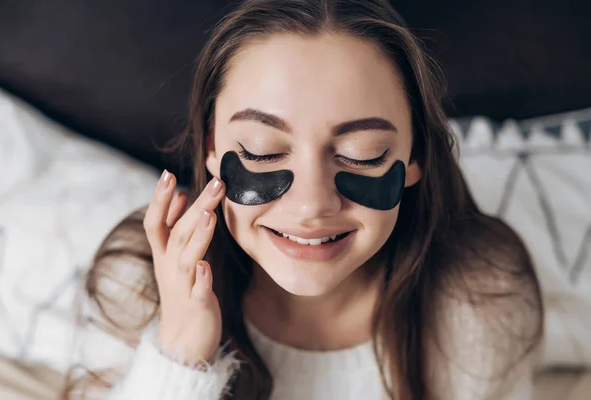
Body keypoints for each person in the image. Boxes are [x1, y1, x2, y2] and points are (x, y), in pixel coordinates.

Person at [62, 0, 544, 399]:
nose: (312, 204)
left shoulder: (480, 298)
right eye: (263, 152)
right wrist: (179, 355)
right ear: (211, 149)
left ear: (415, 155)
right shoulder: (138, 285)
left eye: (362, 155)